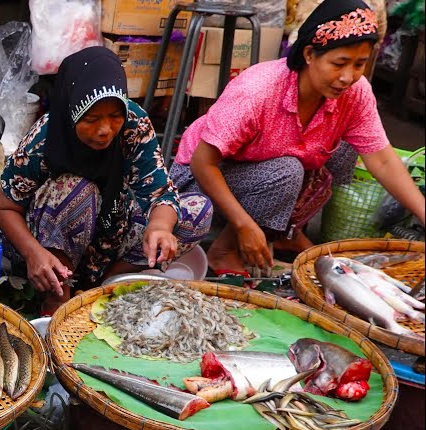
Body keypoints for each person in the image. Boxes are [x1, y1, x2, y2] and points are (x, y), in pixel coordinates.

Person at [170, 0, 425, 275]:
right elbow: (202, 163)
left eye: (359, 64)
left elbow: (383, 160)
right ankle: (225, 251)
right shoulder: (258, 90)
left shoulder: (355, 92)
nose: (347, 77)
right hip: (198, 184)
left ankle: (285, 233)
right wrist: (244, 225)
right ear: (309, 54)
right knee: (286, 170)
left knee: (348, 146)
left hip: (266, 175)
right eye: (339, 63)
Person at [0, 46, 212, 311]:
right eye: (92, 119)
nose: (105, 130)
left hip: (109, 233)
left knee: (196, 211)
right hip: (46, 245)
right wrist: (32, 253)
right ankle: (57, 297)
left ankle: (105, 287)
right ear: (72, 111)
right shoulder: (43, 139)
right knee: (76, 188)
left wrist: (159, 227)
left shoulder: (134, 124)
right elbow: (6, 208)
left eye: (115, 116)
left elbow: (160, 193)